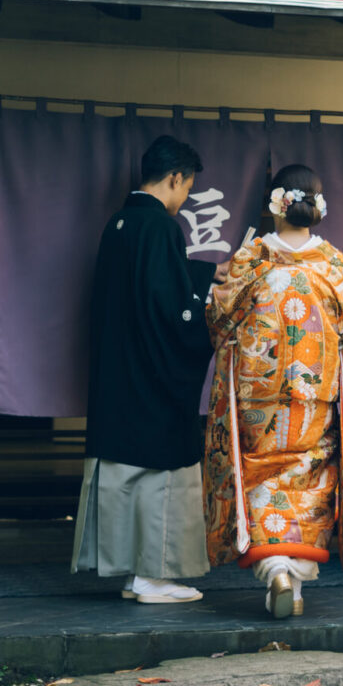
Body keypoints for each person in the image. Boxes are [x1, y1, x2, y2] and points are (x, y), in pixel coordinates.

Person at [203, 163, 343, 617]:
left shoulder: (252, 257)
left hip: (257, 395)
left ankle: (275, 569)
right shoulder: (335, 264)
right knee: (310, 479)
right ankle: (292, 585)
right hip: (315, 395)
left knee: (260, 475)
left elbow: (218, 318)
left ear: (274, 206)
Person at [70, 136, 218, 603]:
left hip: (120, 370)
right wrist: (205, 298)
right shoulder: (158, 227)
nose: (184, 200)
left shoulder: (118, 222)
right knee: (160, 469)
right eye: (187, 188)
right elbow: (170, 306)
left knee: (124, 470)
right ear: (175, 177)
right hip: (153, 373)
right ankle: (154, 575)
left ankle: (135, 575)